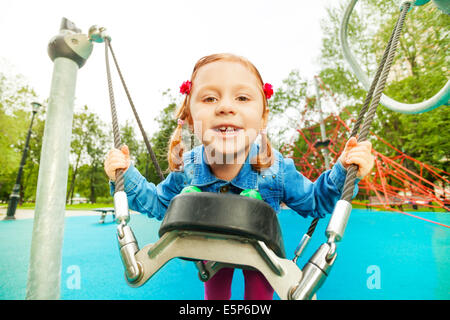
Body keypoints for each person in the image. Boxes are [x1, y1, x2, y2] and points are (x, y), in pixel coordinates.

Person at [104, 53, 374, 300]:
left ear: (263, 117)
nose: (225, 107)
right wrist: (125, 175)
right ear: (188, 117)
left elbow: (315, 200)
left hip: (261, 254)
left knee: (259, 291)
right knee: (216, 293)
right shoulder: (188, 168)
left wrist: (343, 171)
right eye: (210, 99)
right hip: (209, 250)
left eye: (242, 98)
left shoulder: (275, 169)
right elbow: (157, 204)